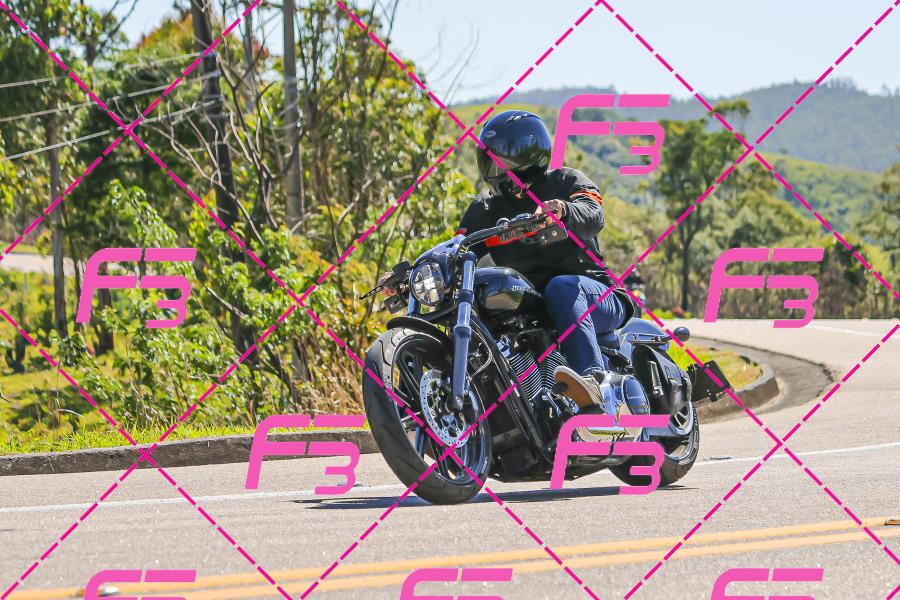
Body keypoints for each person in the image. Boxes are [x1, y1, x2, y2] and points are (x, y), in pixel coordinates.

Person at [382, 110, 634, 410]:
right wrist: (414, 275)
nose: (493, 167)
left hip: (596, 294)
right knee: (483, 303)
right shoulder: (485, 209)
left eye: (502, 159)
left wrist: (563, 210)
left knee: (561, 288)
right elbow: (456, 248)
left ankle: (593, 384)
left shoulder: (565, 181)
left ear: (527, 154)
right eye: (489, 158)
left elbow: (593, 214)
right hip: (534, 305)